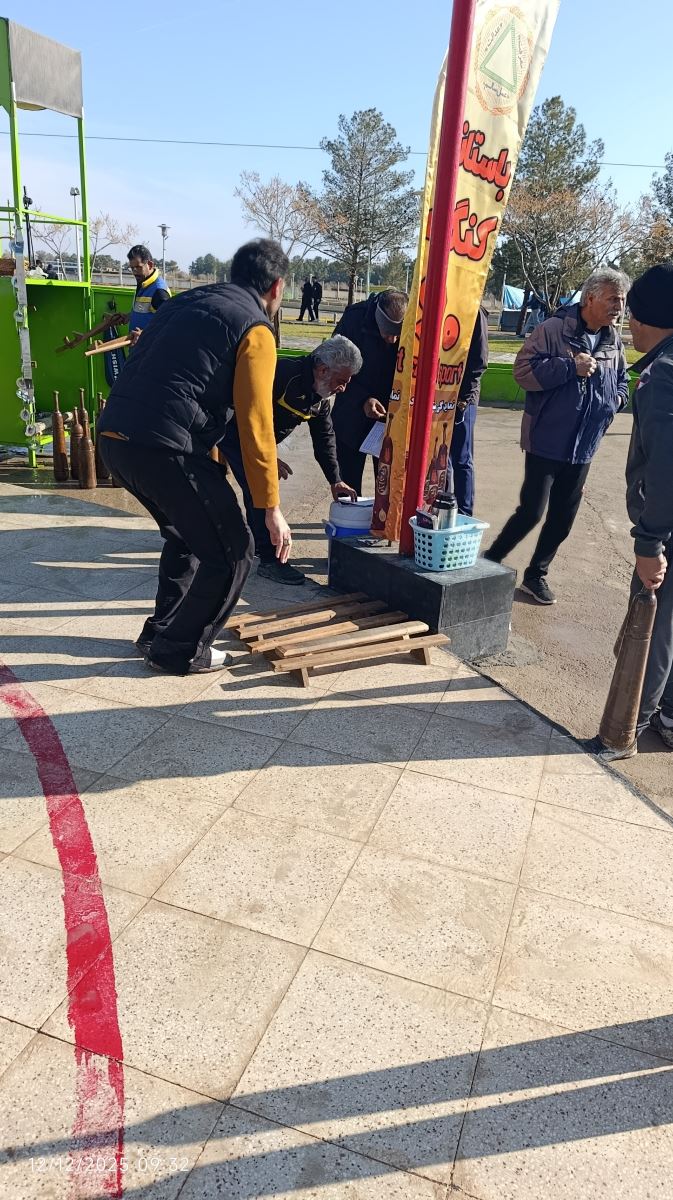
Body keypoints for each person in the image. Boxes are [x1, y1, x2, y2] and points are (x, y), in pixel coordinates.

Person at [97, 238, 292, 676]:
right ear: (277, 286)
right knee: (234, 549)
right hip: (164, 448)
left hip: (114, 438)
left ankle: (160, 632)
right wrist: (270, 507)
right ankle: (180, 649)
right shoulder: (256, 329)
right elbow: (256, 423)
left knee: (187, 535)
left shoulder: (187, 301)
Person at [483, 268, 629, 605]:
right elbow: (523, 372)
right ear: (590, 298)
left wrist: (615, 402)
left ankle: (536, 575)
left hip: (585, 445)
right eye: (613, 299)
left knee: (563, 517)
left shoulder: (613, 340)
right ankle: (491, 560)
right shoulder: (552, 330)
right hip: (547, 440)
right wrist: (568, 367)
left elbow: (622, 380)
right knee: (532, 511)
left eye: (622, 300)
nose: (619, 307)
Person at [598, 262, 673, 761]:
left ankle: (626, 729)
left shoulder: (662, 376)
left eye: (632, 317)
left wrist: (650, 542)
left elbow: (666, 467)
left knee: (652, 628)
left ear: (648, 320)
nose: (628, 326)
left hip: (666, 530)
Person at [220, 335, 362, 585]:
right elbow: (247, 415)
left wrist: (335, 480)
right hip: (232, 429)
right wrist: (267, 458)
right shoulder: (282, 375)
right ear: (322, 370)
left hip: (259, 440)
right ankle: (270, 560)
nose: (343, 388)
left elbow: (324, 438)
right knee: (260, 488)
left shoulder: (320, 395)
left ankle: (257, 545)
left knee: (261, 486)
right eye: (341, 381)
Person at [331, 289, 409, 494]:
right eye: (387, 332)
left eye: (397, 334)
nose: (392, 340)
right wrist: (363, 399)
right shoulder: (354, 320)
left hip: (388, 419)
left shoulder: (414, 326)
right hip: (351, 415)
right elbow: (335, 368)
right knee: (347, 487)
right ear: (377, 317)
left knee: (387, 490)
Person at [450, 304, 489, 515]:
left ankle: (464, 513)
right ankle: (442, 507)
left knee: (461, 457)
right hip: (441, 395)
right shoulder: (445, 305)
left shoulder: (474, 310)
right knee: (441, 457)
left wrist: (464, 399)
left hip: (463, 399)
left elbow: (479, 362)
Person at [108, 244, 171, 344]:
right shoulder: (143, 283)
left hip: (150, 349)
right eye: (132, 268)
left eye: (138, 267)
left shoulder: (159, 291)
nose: (135, 272)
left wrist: (144, 333)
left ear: (150, 265)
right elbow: (146, 313)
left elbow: (168, 324)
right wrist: (128, 317)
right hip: (138, 347)